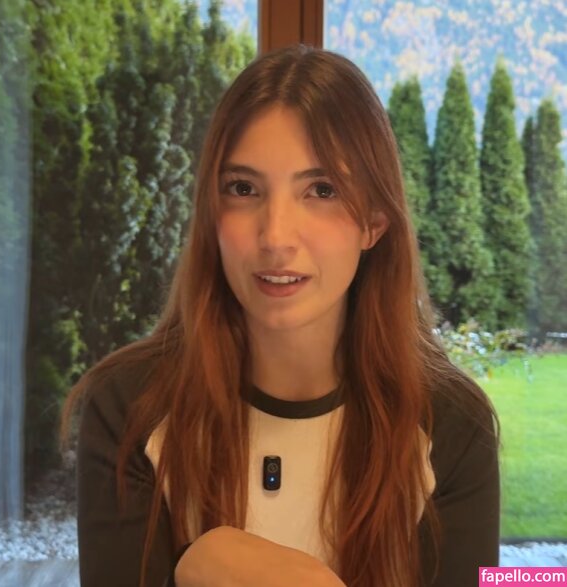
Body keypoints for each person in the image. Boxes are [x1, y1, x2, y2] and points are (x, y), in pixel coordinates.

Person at [62, 44, 500, 587]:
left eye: (322, 190)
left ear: (374, 223)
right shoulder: (129, 408)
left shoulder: (453, 425)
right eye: (243, 189)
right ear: (211, 216)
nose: (275, 237)